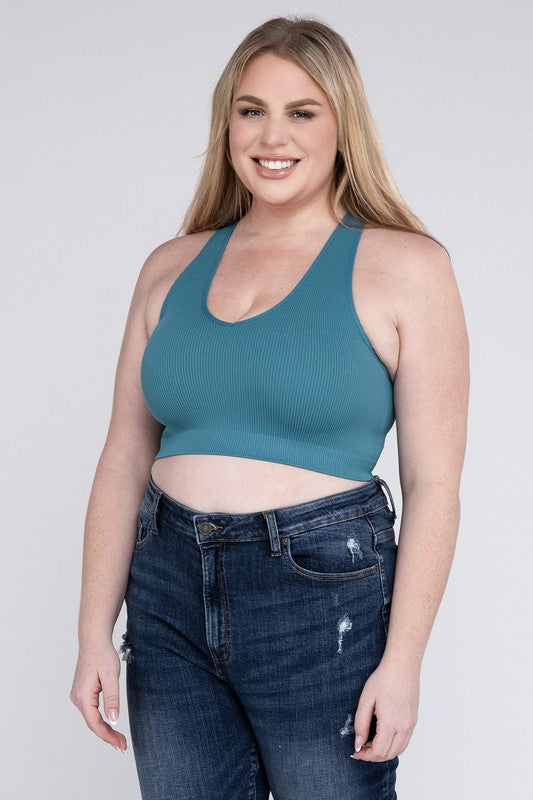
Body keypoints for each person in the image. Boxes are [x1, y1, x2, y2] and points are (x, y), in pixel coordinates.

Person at [70, 14, 469, 800]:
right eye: (250, 110)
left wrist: (402, 662)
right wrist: (92, 633)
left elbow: (434, 487)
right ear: (226, 125)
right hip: (166, 591)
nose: (271, 136)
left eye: (301, 112)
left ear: (342, 127)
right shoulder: (169, 266)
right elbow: (123, 457)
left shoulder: (406, 267)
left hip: (321, 592)